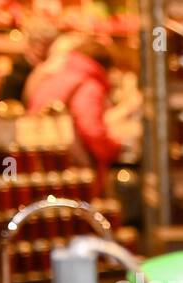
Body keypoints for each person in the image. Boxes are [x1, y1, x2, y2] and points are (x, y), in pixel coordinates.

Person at [24, 38, 121, 188]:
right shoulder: (89, 85)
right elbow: (92, 130)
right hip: (71, 171)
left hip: (41, 162)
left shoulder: (55, 78)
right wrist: (113, 149)